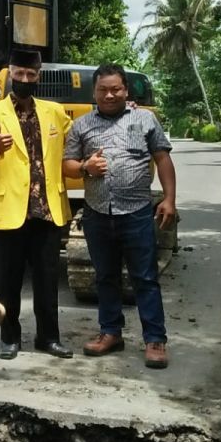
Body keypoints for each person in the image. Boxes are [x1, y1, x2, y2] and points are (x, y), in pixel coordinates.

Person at [63, 63, 177, 370]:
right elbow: (68, 165)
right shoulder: (82, 125)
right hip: (98, 214)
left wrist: (169, 199)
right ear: (95, 92)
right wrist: (86, 166)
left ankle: (155, 339)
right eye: (103, 89)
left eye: (115, 89)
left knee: (145, 278)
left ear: (125, 90)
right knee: (105, 277)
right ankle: (110, 332)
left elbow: (163, 159)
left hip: (137, 213)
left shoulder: (145, 119)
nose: (109, 95)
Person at [0, 47, 73, 361]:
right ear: (10, 73)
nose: (25, 79)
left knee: (47, 280)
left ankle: (48, 338)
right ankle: (10, 338)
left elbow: (78, 135)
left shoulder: (54, 112)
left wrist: (130, 109)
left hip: (46, 210)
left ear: (38, 76)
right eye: (19, 74)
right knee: (7, 281)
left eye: (31, 75)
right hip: (7, 212)